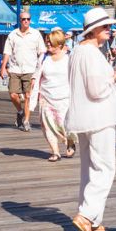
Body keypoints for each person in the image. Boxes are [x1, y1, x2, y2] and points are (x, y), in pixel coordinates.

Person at [64, 7, 116, 231]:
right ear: (94, 30)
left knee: (89, 169)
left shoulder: (77, 52)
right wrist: (115, 77)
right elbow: (97, 88)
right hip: (99, 117)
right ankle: (87, 215)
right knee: (104, 168)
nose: (110, 30)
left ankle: (93, 218)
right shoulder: (90, 54)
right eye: (106, 27)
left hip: (84, 117)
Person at [29, 28, 77, 161]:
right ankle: (55, 152)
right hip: (46, 97)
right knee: (47, 125)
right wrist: (34, 80)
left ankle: (70, 142)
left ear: (60, 45)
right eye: (47, 42)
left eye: (51, 42)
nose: (48, 44)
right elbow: (37, 72)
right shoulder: (44, 58)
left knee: (64, 124)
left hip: (64, 98)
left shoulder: (69, 59)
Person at [1, 10, 47, 131]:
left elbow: (42, 51)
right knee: (13, 94)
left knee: (27, 96)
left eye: (28, 19)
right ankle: (20, 111)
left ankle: (26, 121)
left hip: (30, 69)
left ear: (30, 20)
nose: (26, 21)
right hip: (15, 68)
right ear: (20, 21)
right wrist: (3, 68)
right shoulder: (13, 35)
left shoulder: (36, 34)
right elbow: (7, 52)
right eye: (23, 19)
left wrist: (39, 67)